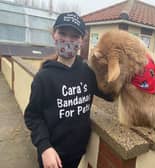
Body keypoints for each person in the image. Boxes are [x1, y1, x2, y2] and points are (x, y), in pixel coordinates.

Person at [24, 12, 112, 168]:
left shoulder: (89, 72)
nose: (67, 40)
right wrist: (45, 147)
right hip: (52, 157)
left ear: (82, 40)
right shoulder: (43, 78)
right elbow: (32, 116)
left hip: (77, 152)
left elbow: (110, 95)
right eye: (63, 33)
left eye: (74, 36)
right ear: (54, 34)